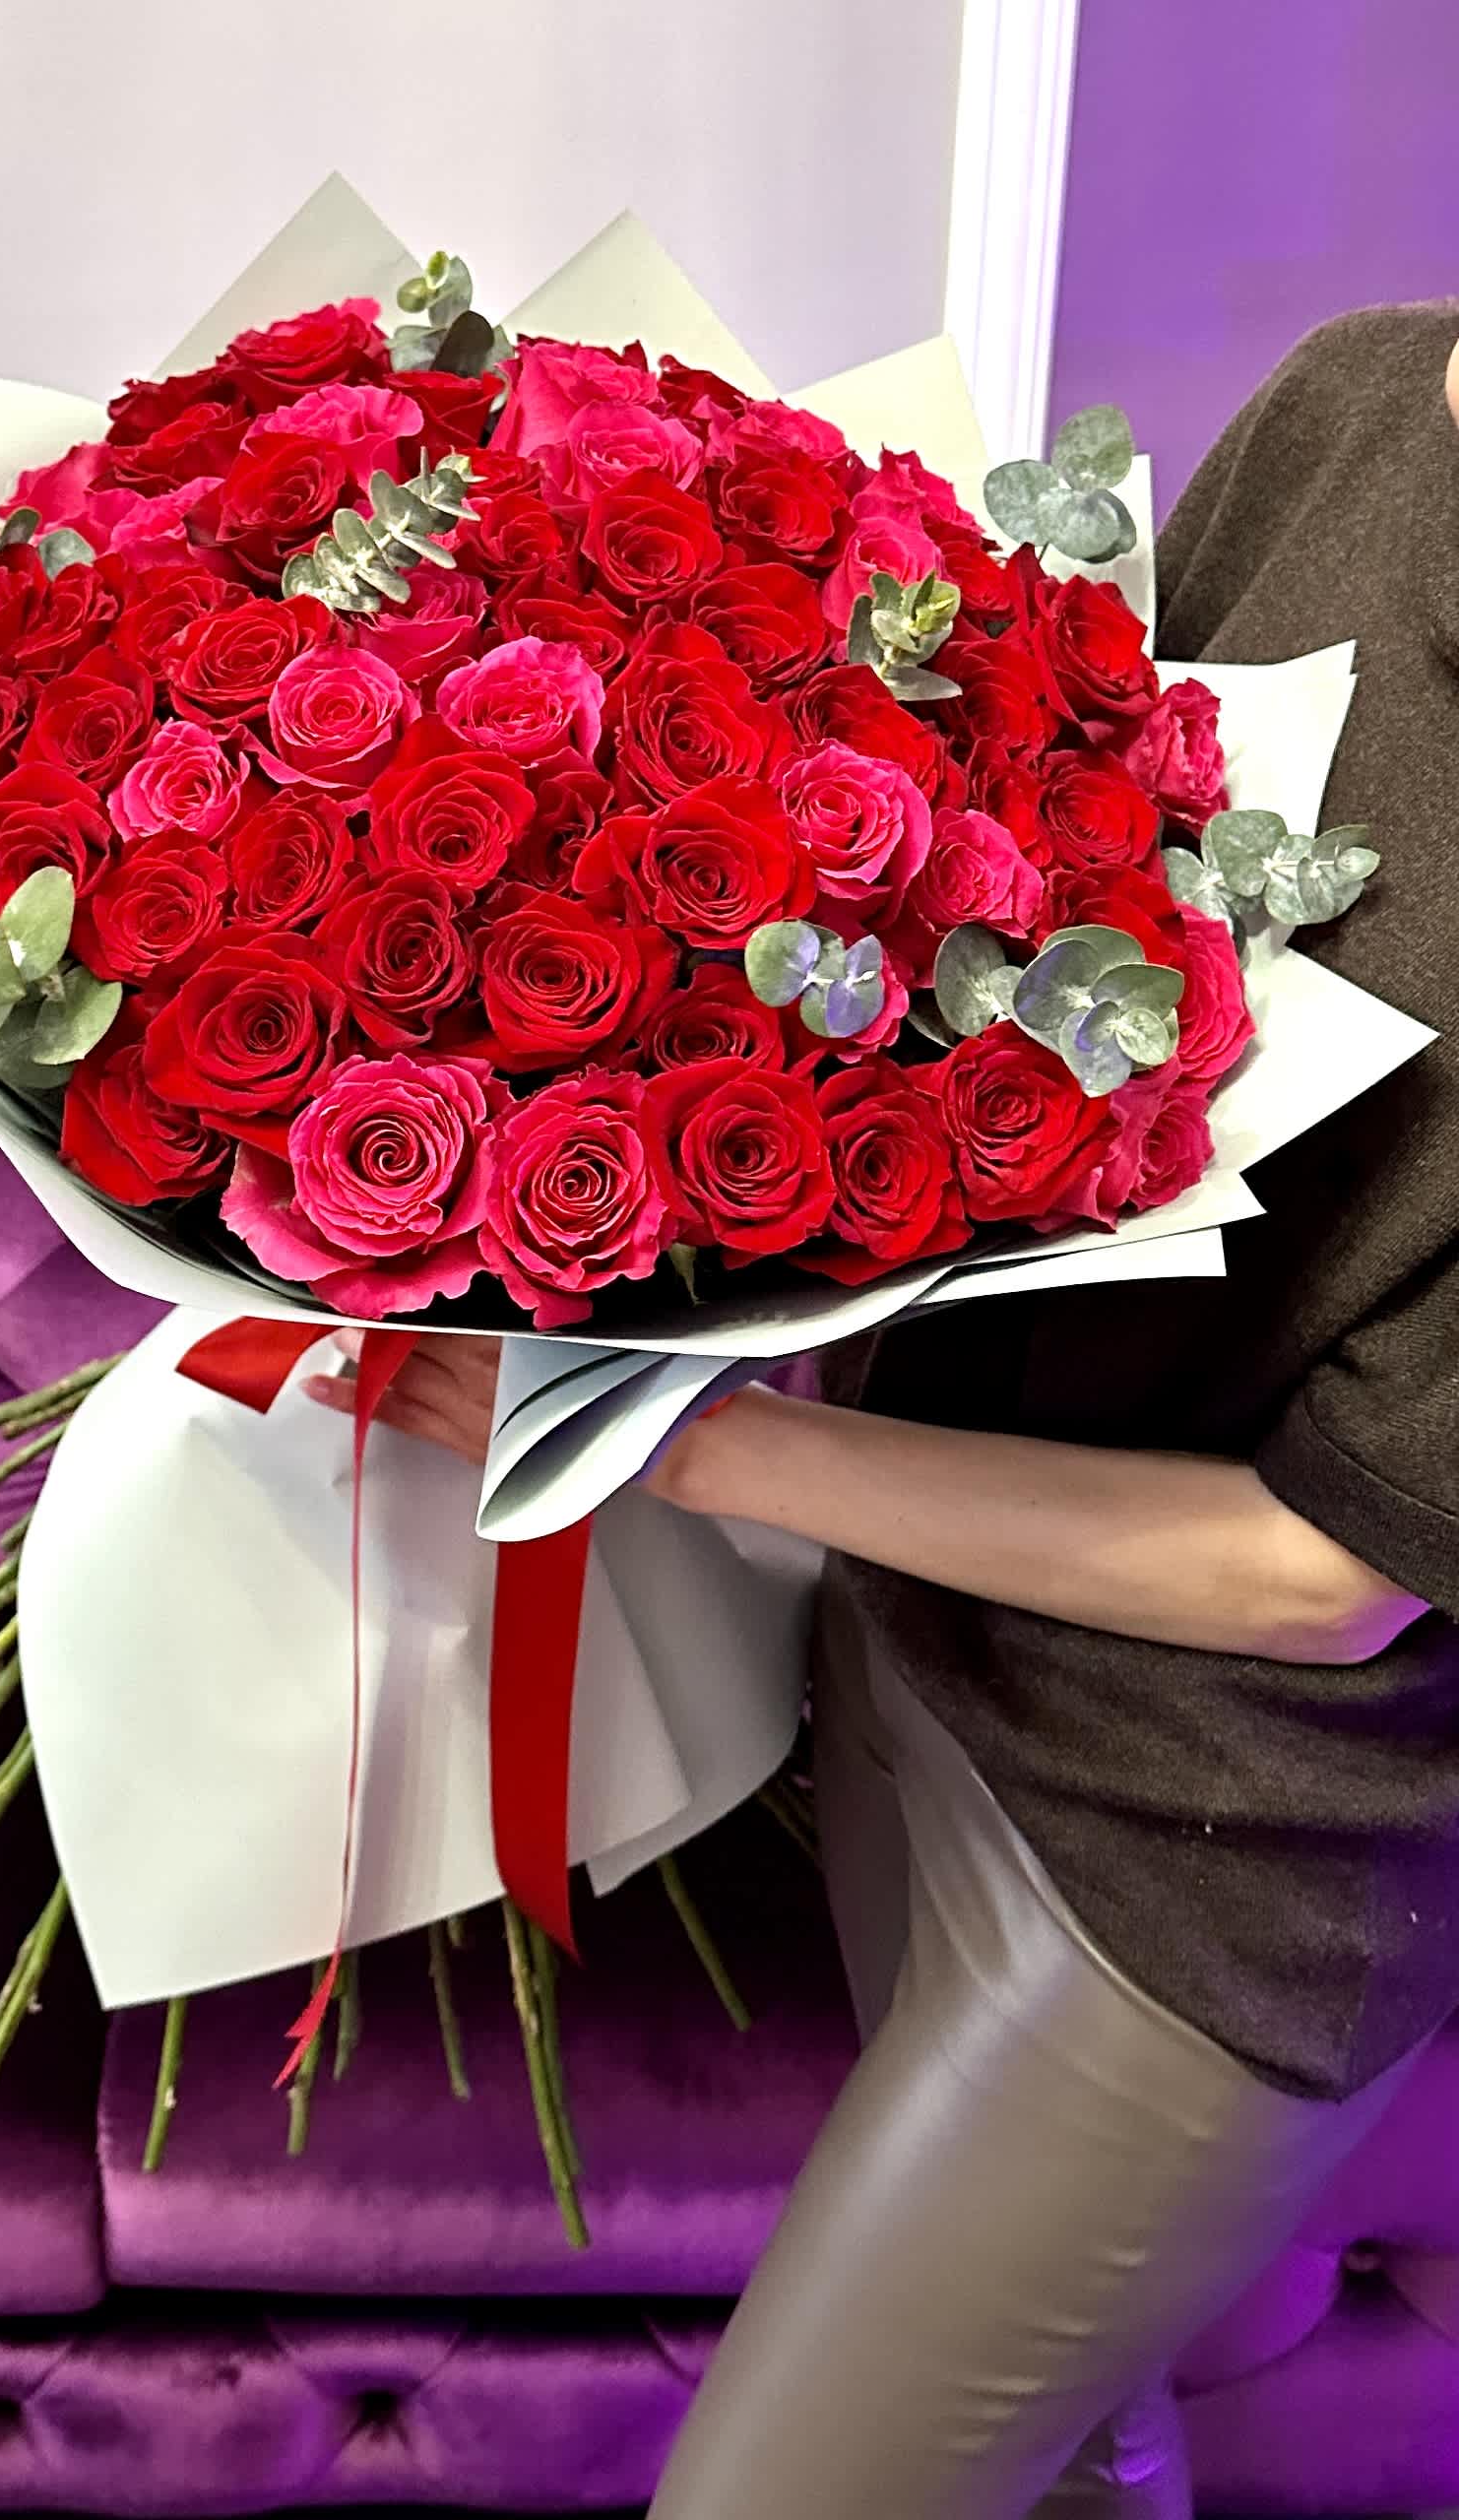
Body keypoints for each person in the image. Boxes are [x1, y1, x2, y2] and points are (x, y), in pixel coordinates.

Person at [306, 300, 1459, 2518]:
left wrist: (666, 1425)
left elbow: (1329, 1582)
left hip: (1204, 1843)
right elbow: (1092, 875)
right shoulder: (1346, 397)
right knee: (1056, 2445)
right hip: (917, 1645)